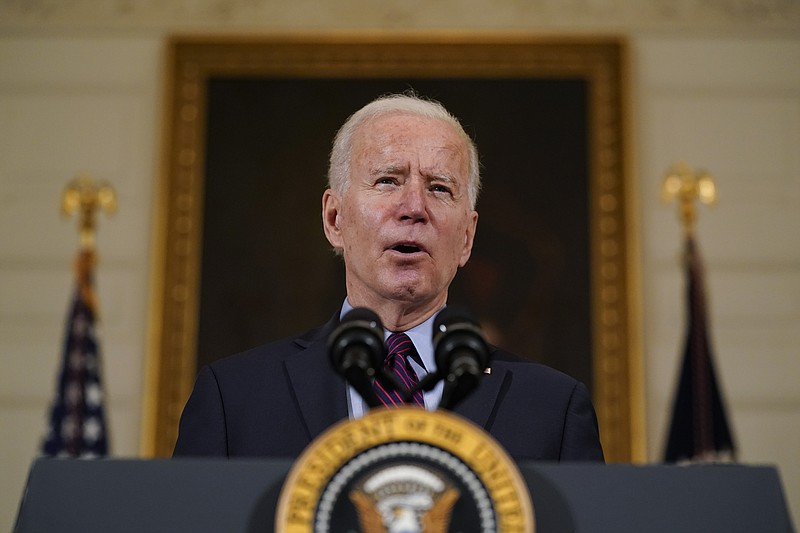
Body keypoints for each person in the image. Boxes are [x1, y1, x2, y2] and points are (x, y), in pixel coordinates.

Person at [173, 93, 604, 462]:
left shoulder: (554, 409)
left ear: (467, 237)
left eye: (439, 188)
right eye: (387, 180)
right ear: (334, 218)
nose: (414, 206)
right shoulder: (234, 399)